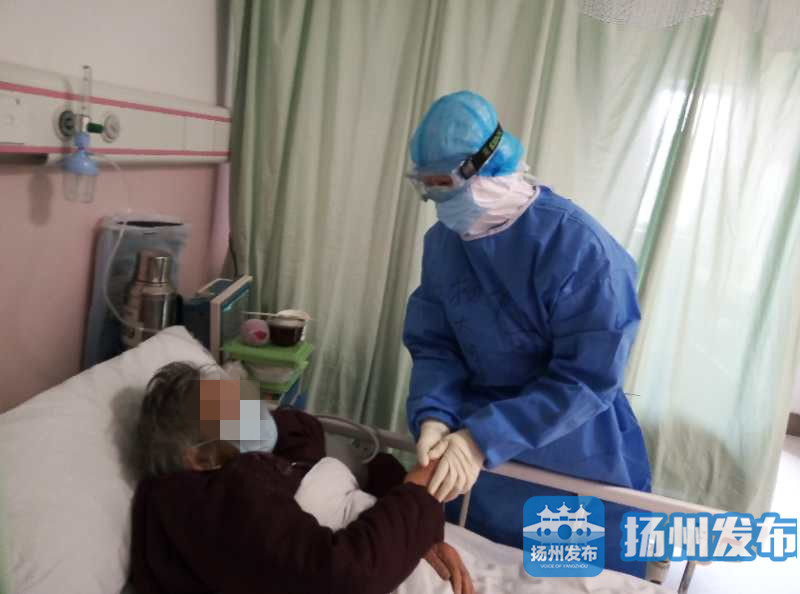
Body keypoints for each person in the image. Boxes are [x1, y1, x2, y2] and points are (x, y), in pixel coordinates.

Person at [403, 90, 652, 577]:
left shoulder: (582, 250)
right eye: (429, 188)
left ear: (488, 166)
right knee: (473, 566)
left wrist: (483, 439)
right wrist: (434, 414)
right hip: (478, 466)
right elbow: (436, 344)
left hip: (570, 451)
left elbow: (587, 379)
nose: (440, 203)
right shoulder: (444, 243)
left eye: (445, 185)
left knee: (566, 578)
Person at [130, 362, 472, 594]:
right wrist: (416, 495)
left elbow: (354, 462)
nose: (247, 406)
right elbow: (342, 576)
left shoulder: (276, 452)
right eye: (229, 410)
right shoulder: (224, 500)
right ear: (199, 458)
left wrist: (425, 532)